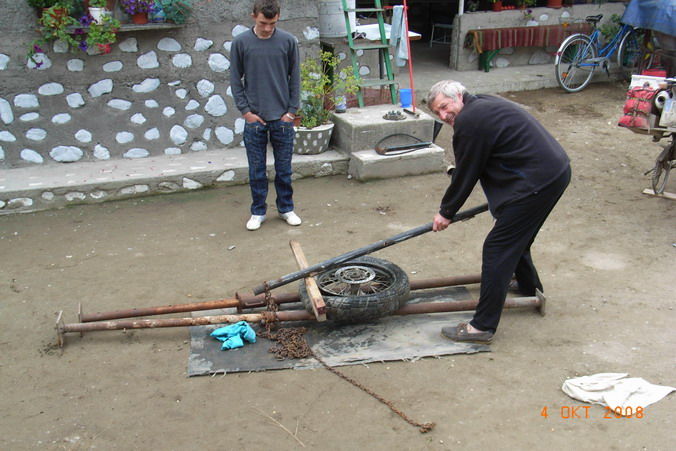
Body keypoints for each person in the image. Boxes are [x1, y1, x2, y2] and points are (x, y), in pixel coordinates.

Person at [427, 80, 571, 344]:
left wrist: (446, 212)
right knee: (517, 239)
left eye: (445, 107)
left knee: (497, 248)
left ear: (458, 95)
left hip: (536, 183)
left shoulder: (469, 120)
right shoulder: (482, 103)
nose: (444, 115)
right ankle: (528, 287)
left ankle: (482, 327)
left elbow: (467, 173)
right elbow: (477, 160)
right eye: (438, 112)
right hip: (554, 172)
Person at [231, 0, 301, 231]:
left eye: (273, 23)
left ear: (278, 18)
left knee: (284, 170)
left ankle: (286, 208)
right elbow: (235, 79)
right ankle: (258, 211)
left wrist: (291, 112)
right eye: (263, 23)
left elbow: (295, 78)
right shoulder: (241, 42)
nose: (268, 28)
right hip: (255, 119)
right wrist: (246, 112)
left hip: (282, 118)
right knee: (256, 170)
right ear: (253, 16)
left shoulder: (288, 41)